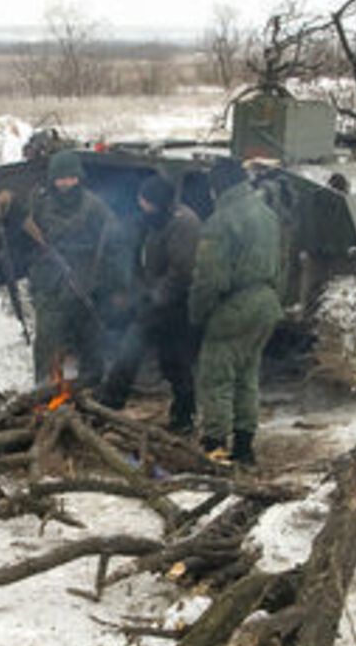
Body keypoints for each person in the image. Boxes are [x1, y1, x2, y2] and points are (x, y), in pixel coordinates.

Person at [188, 158, 282, 465]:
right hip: (266, 300)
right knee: (247, 374)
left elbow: (210, 279)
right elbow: (283, 262)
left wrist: (197, 315)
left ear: (217, 187)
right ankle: (244, 446)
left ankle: (215, 447)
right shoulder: (267, 214)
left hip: (235, 305)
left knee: (217, 376)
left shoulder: (220, 222)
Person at [98, 173, 200, 433]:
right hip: (156, 299)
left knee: (170, 360)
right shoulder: (155, 221)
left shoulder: (183, 224)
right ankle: (109, 405)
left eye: (146, 203)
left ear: (159, 203)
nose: (142, 207)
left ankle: (182, 416)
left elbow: (182, 272)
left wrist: (156, 298)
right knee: (144, 353)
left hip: (175, 305)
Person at [22, 150, 126, 387]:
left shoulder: (94, 206)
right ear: (52, 179)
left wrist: (111, 281)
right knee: (48, 338)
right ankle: (44, 389)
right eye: (60, 178)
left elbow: (114, 242)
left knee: (89, 338)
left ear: (78, 177)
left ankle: (90, 386)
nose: (66, 184)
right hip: (49, 283)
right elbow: (25, 239)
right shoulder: (40, 204)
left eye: (71, 177)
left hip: (84, 281)